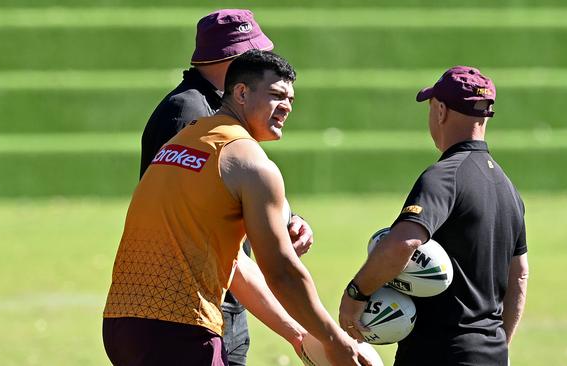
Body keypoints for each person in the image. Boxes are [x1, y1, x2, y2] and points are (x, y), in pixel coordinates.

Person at [104, 50, 369, 366]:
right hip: (180, 328)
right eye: (276, 95)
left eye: (291, 100)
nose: (286, 107)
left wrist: (299, 335)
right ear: (241, 93)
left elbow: (236, 266)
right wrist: (333, 339)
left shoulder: (185, 140)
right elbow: (282, 270)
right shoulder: (250, 163)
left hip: (122, 324)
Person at [138, 9, 313, 365]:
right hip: (193, 301)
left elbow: (242, 180)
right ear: (229, 58)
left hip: (223, 290)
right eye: (251, 52)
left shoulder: (225, 108)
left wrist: (287, 218)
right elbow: (184, 208)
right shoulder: (188, 112)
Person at [338, 66, 530, 365]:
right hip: (491, 353)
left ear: (440, 110)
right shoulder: (508, 188)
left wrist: (355, 296)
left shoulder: (444, 176)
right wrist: (497, 344)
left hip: (437, 352)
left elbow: (404, 242)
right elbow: (519, 273)